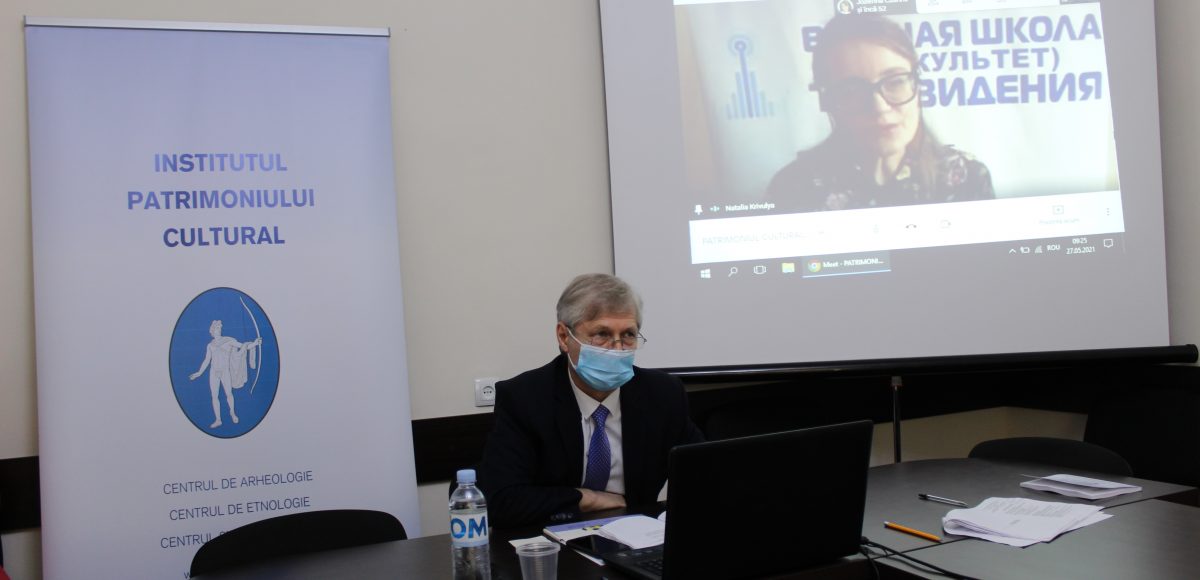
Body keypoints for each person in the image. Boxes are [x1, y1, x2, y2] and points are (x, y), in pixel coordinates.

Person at [477, 274, 704, 528]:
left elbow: (704, 473)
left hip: (636, 537)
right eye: (601, 334)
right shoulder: (525, 398)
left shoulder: (662, 394)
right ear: (564, 337)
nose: (617, 348)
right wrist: (586, 498)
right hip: (552, 540)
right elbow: (502, 500)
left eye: (628, 334)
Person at [767, 14, 994, 211]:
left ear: (917, 87)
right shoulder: (792, 188)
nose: (879, 107)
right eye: (852, 91)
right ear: (827, 100)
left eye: (895, 82)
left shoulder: (968, 178)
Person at [190, 319, 261, 428]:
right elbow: (207, 360)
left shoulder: (228, 341)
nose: (219, 330)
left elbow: (243, 346)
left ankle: (232, 413)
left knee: (229, 393)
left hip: (225, 371)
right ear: (212, 330)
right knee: (214, 396)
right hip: (213, 372)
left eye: (220, 328)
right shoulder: (210, 345)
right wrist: (199, 373)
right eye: (217, 328)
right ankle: (218, 419)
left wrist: (254, 343)